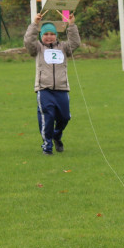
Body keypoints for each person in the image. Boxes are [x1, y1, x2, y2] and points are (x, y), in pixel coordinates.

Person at [24, 11, 80, 155]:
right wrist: (35, 24)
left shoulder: (63, 47)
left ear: (56, 35)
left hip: (62, 89)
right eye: (46, 34)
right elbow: (28, 42)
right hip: (44, 89)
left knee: (65, 117)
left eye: (52, 34)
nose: (49, 37)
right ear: (41, 36)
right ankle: (47, 145)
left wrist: (71, 25)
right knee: (47, 117)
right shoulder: (38, 48)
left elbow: (75, 43)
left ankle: (56, 135)